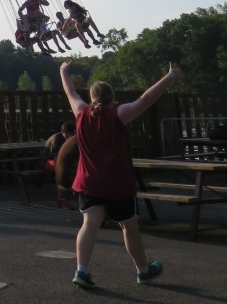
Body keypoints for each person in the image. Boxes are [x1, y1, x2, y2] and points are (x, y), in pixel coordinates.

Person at [59, 60, 182, 289]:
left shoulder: (81, 113)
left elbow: (70, 90)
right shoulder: (119, 114)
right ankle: (143, 271)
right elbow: (146, 99)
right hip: (117, 183)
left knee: (89, 223)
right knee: (129, 226)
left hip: (89, 182)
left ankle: (82, 270)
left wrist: (63, 70)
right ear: (112, 96)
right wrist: (171, 76)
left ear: (92, 96)